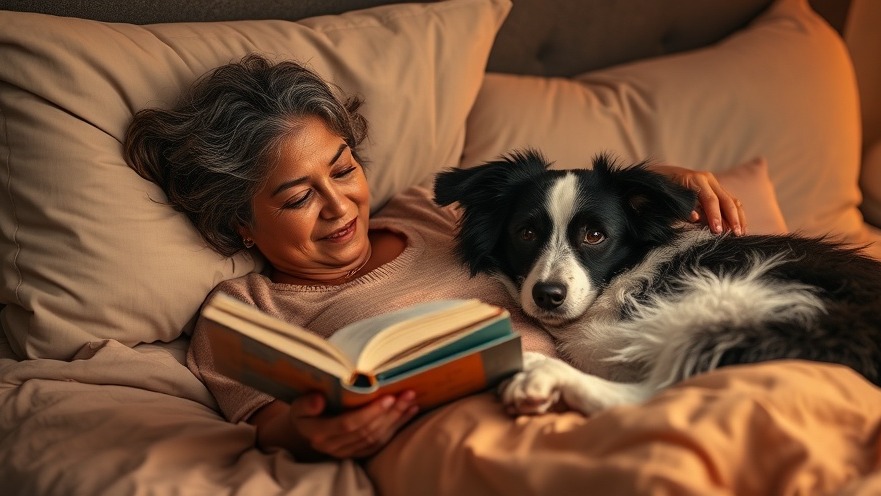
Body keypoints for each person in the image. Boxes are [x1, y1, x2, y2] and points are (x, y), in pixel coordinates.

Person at [123, 54, 747, 462]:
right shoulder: (244, 309)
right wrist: (311, 431)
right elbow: (269, 422)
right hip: (455, 434)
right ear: (243, 223)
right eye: (297, 197)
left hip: (587, 388)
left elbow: (564, 203)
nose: (339, 207)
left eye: (343, 171)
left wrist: (661, 182)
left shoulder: (430, 210)